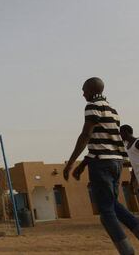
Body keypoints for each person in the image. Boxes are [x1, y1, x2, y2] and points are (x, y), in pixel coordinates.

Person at [63, 77, 139, 255]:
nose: (83, 93)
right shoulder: (112, 110)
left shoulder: (92, 106)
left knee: (105, 212)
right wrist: (82, 167)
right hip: (116, 163)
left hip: (102, 164)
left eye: (84, 90)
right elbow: (102, 143)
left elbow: (86, 135)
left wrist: (71, 162)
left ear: (92, 89)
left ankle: (127, 251)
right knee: (113, 204)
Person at [120, 125, 139, 193]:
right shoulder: (128, 147)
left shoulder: (137, 143)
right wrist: (132, 183)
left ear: (126, 132)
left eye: (120, 134)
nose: (120, 136)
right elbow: (134, 165)